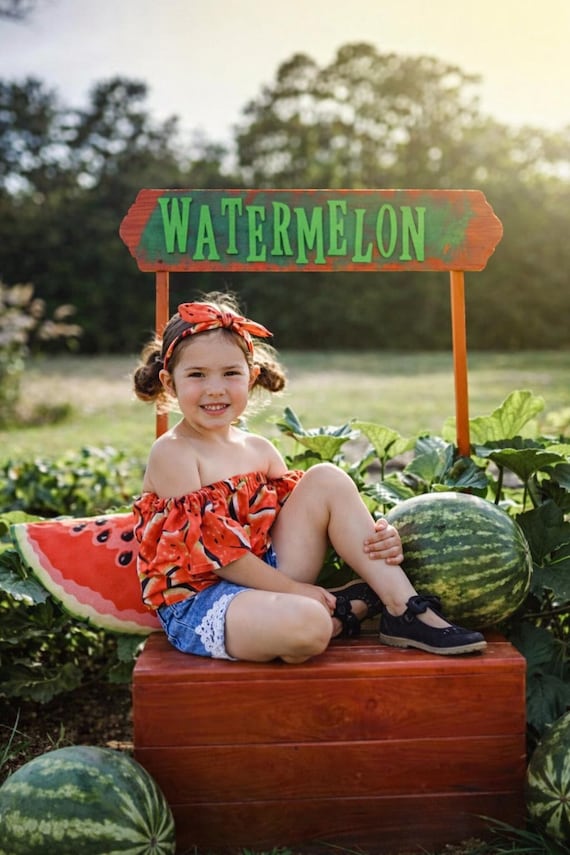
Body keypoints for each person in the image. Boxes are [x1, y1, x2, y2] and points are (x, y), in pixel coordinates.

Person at [132, 292, 486, 663]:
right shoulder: (173, 453)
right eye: (197, 375)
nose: (215, 388)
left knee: (327, 478)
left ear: (251, 377)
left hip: (269, 574)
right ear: (170, 384)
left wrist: (380, 538)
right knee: (309, 626)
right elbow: (218, 557)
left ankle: (405, 608)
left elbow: (309, 520)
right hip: (204, 600)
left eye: (230, 373)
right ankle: (341, 614)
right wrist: (294, 590)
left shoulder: (259, 449)